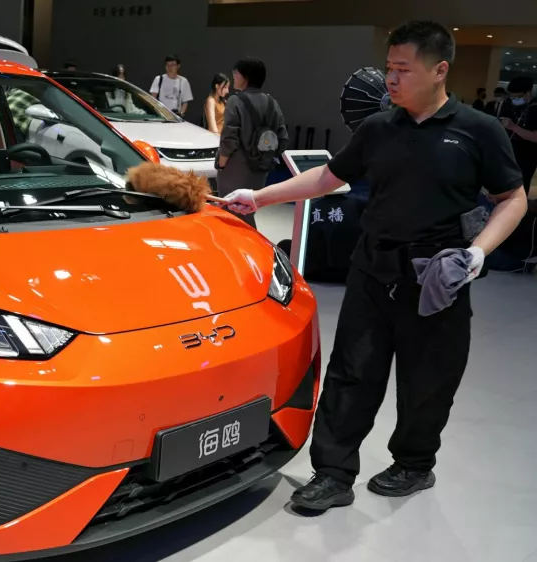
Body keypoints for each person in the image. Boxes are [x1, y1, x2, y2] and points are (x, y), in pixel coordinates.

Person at [223, 21, 528, 512]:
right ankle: (333, 474)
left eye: (403, 69)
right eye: (389, 68)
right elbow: (327, 176)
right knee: (351, 374)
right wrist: (256, 195)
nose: (391, 79)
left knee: (427, 380)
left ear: (439, 69)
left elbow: (512, 198)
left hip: (437, 278)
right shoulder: (379, 127)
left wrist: (478, 253)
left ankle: (413, 464)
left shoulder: (477, 130)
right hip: (371, 271)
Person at [215, 57, 288, 228]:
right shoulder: (272, 102)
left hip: (235, 168)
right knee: (248, 211)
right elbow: (283, 138)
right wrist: (267, 157)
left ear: (246, 76)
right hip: (260, 169)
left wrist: (222, 163)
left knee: (230, 212)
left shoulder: (235, 100)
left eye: (236, 73)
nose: (234, 76)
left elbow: (229, 137)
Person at [499, 76, 537, 193]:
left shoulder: (534, 109)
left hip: (526, 156)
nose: (514, 99)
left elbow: (535, 137)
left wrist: (513, 127)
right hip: (507, 152)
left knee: (519, 188)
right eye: (512, 96)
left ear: (528, 92)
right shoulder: (508, 104)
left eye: (517, 97)